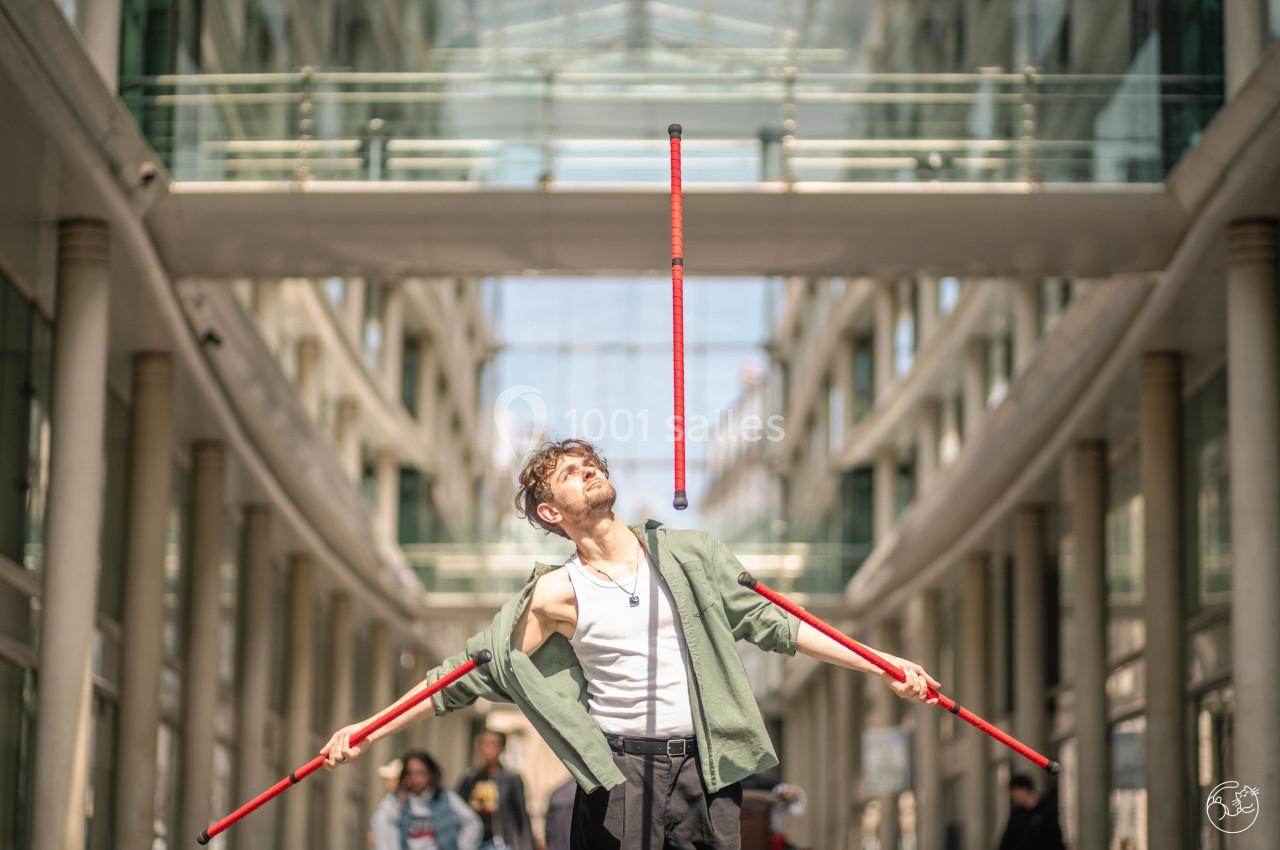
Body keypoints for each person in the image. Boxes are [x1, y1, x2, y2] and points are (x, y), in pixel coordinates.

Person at [325, 439, 940, 850]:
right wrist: (367, 731)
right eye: (570, 473)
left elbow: (775, 624)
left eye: (592, 463)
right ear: (550, 512)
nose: (589, 471)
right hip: (618, 777)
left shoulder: (691, 555)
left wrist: (881, 663)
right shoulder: (554, 596)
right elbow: (465, 673)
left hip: (706, 770)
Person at [371, 751, 482, 850]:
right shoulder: (396, 800)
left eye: (420, 773)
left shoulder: (446, 797)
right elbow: (380, 824)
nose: (415, 779)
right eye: (410, 773)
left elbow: (472, 823)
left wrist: (463, 846)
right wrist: (398, 802)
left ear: (430, 774)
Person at [456, 729, 535, 850]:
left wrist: (526, 845)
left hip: (500, 843)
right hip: (473, 843)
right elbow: (457, 808)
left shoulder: (511, 779)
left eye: (492, 744)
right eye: (484, 744)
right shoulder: (470, 778)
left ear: (501, 748)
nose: (487, 749)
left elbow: (521, 816)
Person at [996, 774, 1066, 850]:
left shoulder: (1047, 810)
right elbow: (1007, 842)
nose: (1013, 796)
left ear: (1025, 790)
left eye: (1015, 791)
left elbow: (1055, 839)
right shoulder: (1017, 815)